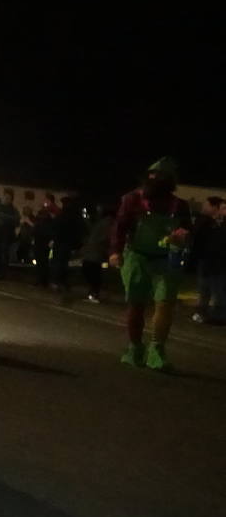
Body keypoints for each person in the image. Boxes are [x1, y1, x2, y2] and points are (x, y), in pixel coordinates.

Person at [110, 158, 192, 370]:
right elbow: (120, 226)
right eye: (153, 176)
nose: (156, 180)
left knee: (165, 303)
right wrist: (115, 252)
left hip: (166, 259)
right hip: (136, 256)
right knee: (136, 304)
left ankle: (157, 350)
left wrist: (182, 237)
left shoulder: (179, 205)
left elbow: (187, 232)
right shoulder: (132, 200)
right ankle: (135, 347)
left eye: (162, 177)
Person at [189, 196, 226, 324]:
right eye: (222, 208)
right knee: (204, 289)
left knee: (218, 291)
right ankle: (202, 313)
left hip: (219, 264)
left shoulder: (220, 226)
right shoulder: (211, 223)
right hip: (207, 262)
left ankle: (219, 316)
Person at [79, 203, 113, 302]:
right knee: (89, 269)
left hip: (98, 249)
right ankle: (93, 291)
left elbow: (105, 236)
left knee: (92, 270)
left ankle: (95, 292)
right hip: (93, 249)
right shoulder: (101, 221)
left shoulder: (108, 222)